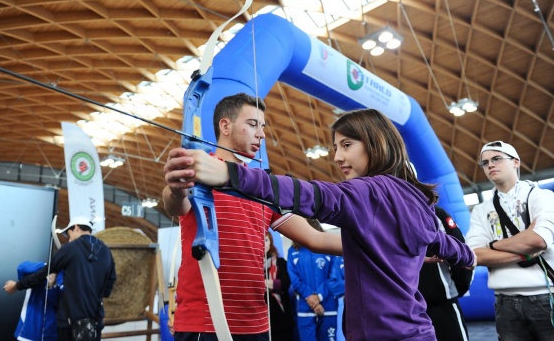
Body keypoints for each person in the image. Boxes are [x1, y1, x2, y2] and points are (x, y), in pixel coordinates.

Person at [165, 107, 476, 341]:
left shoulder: (366, 191)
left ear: (375, 143)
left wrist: (230, 175)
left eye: (346, 145)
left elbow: (311, 195)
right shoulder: (415, 198)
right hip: (418, 330)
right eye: (335, 147)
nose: (338, 157)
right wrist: (469, 256)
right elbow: (446, 244)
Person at [162, 93, 343, 340]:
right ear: (225, 126)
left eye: (263, 126)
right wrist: (176, 187)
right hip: (205, 324)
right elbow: (175, 203)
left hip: (257, 325)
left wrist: (377, 244)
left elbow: (315, 238)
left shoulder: (261, 186)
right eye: (252, 124)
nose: (262, 134)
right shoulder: (201, 170)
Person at [465, 140, 554, 340]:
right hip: (504, 303)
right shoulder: (481, 210)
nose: (490, 165)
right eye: (485, 163)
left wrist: (492, 245)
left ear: (516, 162)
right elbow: (474, 254)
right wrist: (525, 253)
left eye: (496, 159)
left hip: (546, 298)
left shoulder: (542, 197)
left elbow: (538, 240)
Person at [4, 216, 116, 341]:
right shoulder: (106, 252)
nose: (69, 240)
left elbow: (44, 273)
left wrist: (17, 285)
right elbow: (108, 288)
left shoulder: (71, 249)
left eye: (69, 234)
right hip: (94, 322)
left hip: (69, 322)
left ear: (76, 227)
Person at [419, 206, 472, 341]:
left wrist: (454, 289)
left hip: (441, 302)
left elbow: (461, 252)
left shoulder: (433, 212)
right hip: (403, 306)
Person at [287, 219, 345, 341]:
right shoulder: (293, 251)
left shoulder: (329, 250)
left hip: (328, 306)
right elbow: (295, 280)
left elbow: (333, 277)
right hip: (305, 308)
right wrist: (313, 299)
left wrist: (319, 297)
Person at [8, 261, 62, 341]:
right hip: (29, 330)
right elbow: (21, 268)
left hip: (51, 333)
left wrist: (51, 286)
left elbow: (61, 303)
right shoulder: (39, 270)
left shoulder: (66, 274)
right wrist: (50, 266)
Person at [264, 231, 295, 341]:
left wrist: (262, 283)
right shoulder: (251, 265)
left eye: (266, 240)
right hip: (260, 318)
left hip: (281, 319)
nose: (263, 243)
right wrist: (272, 283)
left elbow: (284, 284)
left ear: (271, 242)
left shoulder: (281, 262)